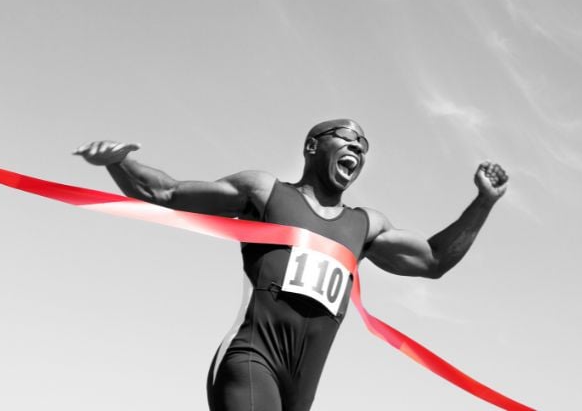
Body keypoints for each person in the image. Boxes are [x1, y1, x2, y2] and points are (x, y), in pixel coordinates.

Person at [73, 118, 508, 411]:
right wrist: (118, 161)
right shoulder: (265, 192)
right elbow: (167, 194)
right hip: (250, 359)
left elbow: (432, 261)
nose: (357, 144)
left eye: (364, 144)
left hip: (300, 390)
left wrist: (483, 203)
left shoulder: (366, 226)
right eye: (345, 135)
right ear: (312, 146)